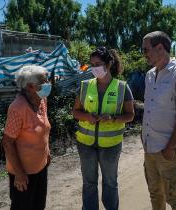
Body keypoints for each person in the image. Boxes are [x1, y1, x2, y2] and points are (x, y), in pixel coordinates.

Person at [72, 47, 135, 210]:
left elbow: (130, 115)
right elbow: (75, 112)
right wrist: (88, 117)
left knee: (110, 183)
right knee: (89, 183)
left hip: (111, 146)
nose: (94, 68)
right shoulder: (84, 86)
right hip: (86, 144)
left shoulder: (122, 87)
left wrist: (113, 118)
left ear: (108, 64)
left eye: (98, 64)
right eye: (92, 64)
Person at [141, 31, 176, 210]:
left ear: (161, 48)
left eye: (146, 49)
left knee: (175, 199)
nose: (144, 54)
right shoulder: (149, 75)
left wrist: (170, 147)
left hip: (169, 150)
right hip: (150, 149)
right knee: (155, 194)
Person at [2, 65, 52, 210]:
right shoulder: (17, 107)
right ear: (30, 86)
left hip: (41, 167)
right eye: (44, 82)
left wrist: (47, 152)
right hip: (23, 172)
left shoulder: (42, 101)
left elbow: (43, 130)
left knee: (38, 205)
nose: (48, 84)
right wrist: (19, 173)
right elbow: (7, 142)